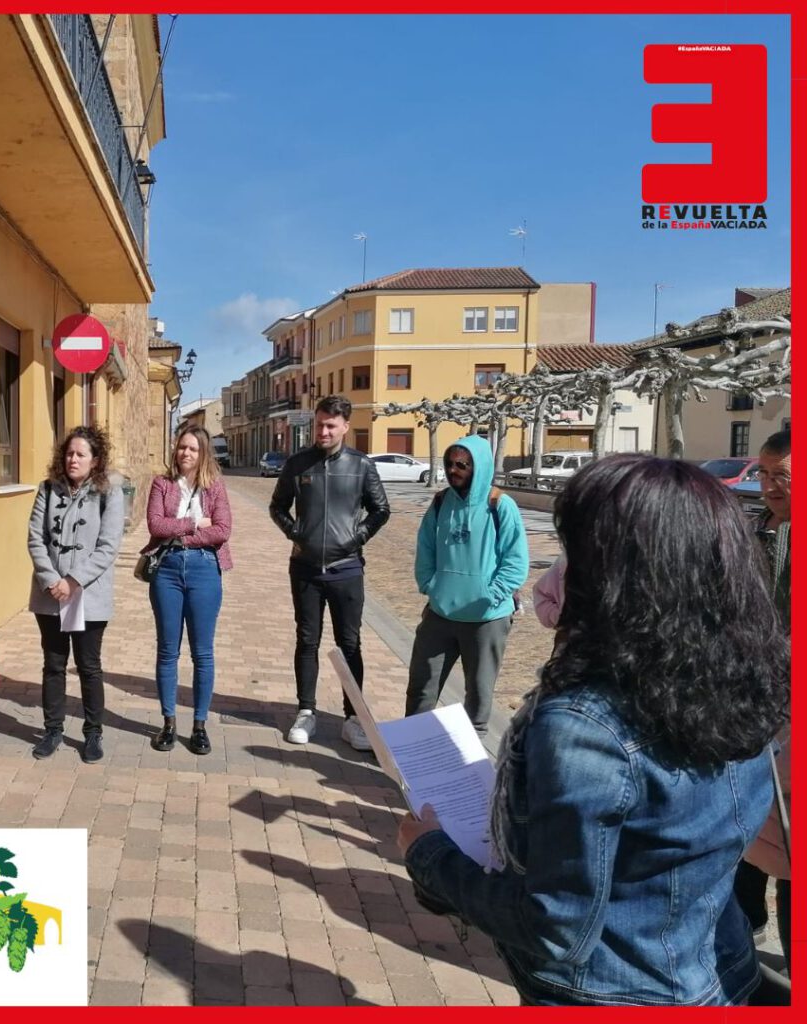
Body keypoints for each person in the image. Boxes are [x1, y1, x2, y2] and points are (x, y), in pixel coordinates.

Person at [396, 454, 789, 1006]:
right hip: (717, 973)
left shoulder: (583, 724)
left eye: (575, 549)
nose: (561, 569)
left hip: (611, 993)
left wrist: (430, 854)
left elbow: (557, 929)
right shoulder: (750, 678)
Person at [269, 395, 390, 750]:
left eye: (330, 426)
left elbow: (380, 510)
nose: (322, 431)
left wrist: (357, 538)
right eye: (319, 424)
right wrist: (296, 533)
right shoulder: (298, 464)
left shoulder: (361, 466)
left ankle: (354, 718)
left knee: (349, 644)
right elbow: (277, 506)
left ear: (344, 427)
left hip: (346, 569)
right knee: (307, 640)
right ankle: (306, 711)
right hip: (305, 567)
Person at [404, 437, 529, 735]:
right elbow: (425, 546)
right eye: (450, 463)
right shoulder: (440, 502)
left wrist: (491, 594)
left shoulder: (501, 505)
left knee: (478, 698)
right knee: (421, 688)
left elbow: (516, 559)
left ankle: (471, 768)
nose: (454, 470)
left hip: (486, 619)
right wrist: (430, 584)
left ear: (480, 467)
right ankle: (410, 755)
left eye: (463, 464)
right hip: (440, 615)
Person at [27, 425, 125, 763]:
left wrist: (73, 580)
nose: (73, 459)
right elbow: (35, 538)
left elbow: (108, 545)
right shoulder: (47, 489)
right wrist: (53, 579)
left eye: (81, 454)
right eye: (69, 453)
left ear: (95, 460)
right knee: (53, 664)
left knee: (89, 666)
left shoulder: (110, 491)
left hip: (88, 594)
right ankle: (52, 730)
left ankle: (93, 732)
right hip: (50, 594)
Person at [736, 428, 791, 985]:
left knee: (790, 841)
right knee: (743, 817)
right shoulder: (754, 529)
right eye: (765, 474)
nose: (771, 486)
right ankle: (744, 926)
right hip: (746, 705)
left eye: (783, 477)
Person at [143, 425, 232, 754]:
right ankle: (168, 723)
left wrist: (178, 531)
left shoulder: (215, 487)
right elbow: (155, 525)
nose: (185, 453)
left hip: (204, 570)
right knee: (168, 651)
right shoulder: (161, 484)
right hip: (166, 570)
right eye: (182, 447)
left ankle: (199, 725)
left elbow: (223, 531)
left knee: (202, 653)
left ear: (203, 453)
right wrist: (195, 524)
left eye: (193, 449)